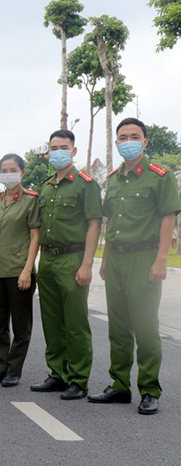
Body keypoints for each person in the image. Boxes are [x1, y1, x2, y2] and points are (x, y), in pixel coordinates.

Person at [89, 118, 181, 415]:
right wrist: (105, 259)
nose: (128, 141)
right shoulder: (114, 178)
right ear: (116, 142)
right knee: (118, 327)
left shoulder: (160, 176)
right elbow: (110, 219)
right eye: (123, 137)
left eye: (134, 136)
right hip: (115, 257)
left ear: (144, 142)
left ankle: (150, 389)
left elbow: (168, 217)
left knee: (145, 327)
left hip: (145, 258)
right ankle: (119, 385)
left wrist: (161, 260)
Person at [30, 130, 102, 400]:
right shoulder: (47, 185)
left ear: (73, 151)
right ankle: (58, 373)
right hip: (48, 258)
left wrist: (86, 265)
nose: (57, 151)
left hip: (73, 258)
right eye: (53, 147)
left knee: (75, 323)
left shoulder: (86, 184)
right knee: (52, 321)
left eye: (63, 147)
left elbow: (95, 224)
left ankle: (79, 379)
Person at [0, 154, 40, 387]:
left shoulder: (31, 200)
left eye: (13, 169)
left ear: (22, 172)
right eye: (4, 169)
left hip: (18, 271)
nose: (8, 173)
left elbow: (35, 237)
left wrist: (27, 270)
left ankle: (14, 369)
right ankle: (0, 366)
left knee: (21, 324)